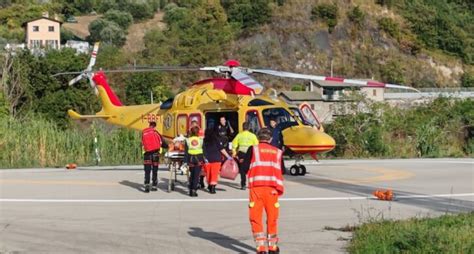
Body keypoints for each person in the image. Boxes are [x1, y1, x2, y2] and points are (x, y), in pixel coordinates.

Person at [241, 128, 284, 254]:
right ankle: (273, 247)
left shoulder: (253, 149)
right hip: (272, 190)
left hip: (257, 189)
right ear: (270, 139)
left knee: (256, 218)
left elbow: (244, 169)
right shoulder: (278, 152)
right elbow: (282, 170)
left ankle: (261, 249)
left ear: (258, 138)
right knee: (272, 218)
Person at [203, 128, 232, 194]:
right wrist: (228, 156)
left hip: (207, 160)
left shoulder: (204, 141)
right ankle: (213, 187)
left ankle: (209, 185)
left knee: (208, 173)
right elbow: (222, 149)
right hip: (216, 159)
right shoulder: (216, 140)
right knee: (214, 174)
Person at [231, 121, 259, 190]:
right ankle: (252, 183)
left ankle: (243, 184)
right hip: (250, 153)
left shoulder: (239, 135)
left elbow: (234, 145)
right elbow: (257, 145)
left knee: (242, 170)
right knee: (251, 169)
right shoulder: (253, 136)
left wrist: (234, 154)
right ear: (249, 127)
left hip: (241, 154)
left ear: (243, 127)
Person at [141, 121, 162, 193]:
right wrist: (167, 146)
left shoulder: (144, 132)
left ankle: (147, 185)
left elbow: (142, 143)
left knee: (147, 171)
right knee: (155, 170)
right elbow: (162, 142)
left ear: (149, 125)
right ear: (155, 126)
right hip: (155, 154)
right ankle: (154, 185)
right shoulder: (155, 132)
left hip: (147, 154)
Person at [185, 126, 205, 197]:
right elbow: (204, 150)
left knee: (192, 174)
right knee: (196, 175)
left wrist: (186, 161)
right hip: (199, 158)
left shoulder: (187, 140)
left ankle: (191, 189)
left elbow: (186, 151)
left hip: (190, 158)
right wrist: (205, 159)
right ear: (198, 132)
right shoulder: (201, 140)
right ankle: (193, 190)